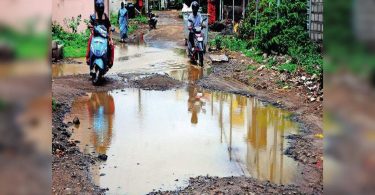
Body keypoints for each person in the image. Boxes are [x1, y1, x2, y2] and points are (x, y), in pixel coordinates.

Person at [86, 0, 114, 73]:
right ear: (96, 8)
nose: (100, 10)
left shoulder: (106, 17)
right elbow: (89, 24)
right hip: (95, 35)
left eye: (101, 8)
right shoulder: (93, 16)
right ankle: (88, 58)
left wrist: (110, 38)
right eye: (99, 8)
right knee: (89, 42)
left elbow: (109, 27)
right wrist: (90, 26)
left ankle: (110, 61)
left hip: (104, 36)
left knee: (111, 45)